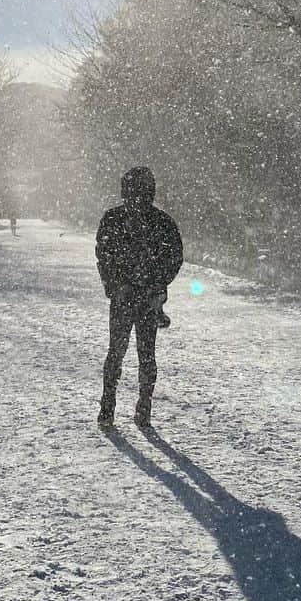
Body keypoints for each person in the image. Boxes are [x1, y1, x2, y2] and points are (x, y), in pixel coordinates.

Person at [95, 167, 183, 429]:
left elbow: (103, 255)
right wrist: (158, 284)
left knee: (117, 352)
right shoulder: (162, 221)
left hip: (129, 296)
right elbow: (175, 257)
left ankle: (108, 407)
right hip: (146, 297)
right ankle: (142, 407)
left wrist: (114, 285)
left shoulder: (113, 218)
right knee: (145, 353)